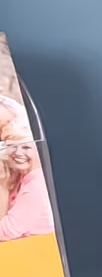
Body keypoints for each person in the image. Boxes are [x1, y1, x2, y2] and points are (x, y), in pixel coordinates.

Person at [0, 97, 53, 242]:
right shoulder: (23, 178)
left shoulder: (36, 185)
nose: (18, 153)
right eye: (11, 146)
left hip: (35, 255)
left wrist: (3, 187)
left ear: (39, 148)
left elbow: (6, 232)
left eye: (26, 147)